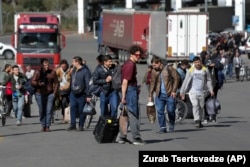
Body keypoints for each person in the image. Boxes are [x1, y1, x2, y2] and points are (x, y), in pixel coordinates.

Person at [118, 45, 145, 145]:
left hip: (129, 90)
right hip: (130, 91)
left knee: (124, 115)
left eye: (139, 55)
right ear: (131, 54)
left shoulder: (128, 64)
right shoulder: (130, 65)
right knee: (133, 114)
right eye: (136, 55)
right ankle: (136, 138)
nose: (138, 56)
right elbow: (125, 82)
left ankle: (122, 137)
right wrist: (124, 97)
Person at [180, 56, 214, 128]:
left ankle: (200, 119)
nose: (197, 64)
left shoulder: (205, 70)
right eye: (195, 62)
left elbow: (208, 80)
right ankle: (197, 120)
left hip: (202, 91)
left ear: (200, 62)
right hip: (193, 91)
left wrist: (211, 89)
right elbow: (185, 81)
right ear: (193, 63)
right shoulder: (191, 70)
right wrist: (182, 91)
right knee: (195, 105)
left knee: (201, 106)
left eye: (198, 62)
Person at [148, 56, 180, 133]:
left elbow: (177, 78)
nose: (153, 66)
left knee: (171, 110)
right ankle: (163, 127)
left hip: (169, 94)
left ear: (160, 63)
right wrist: (150, 95)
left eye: (155, 65)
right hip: (159, 95)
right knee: (160, 111)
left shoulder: (169, 68)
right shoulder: (154, 71)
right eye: (152, 65)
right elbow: (152, 83)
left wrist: (174, 91)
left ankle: (171, 125)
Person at [31, 58, 59, 132]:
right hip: (39, 94)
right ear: (42, 65)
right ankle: (43, 125)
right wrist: (38, 83)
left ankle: (47, 126)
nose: (47, 66)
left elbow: (56, 83)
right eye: (45, 65)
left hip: (50, 94)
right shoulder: (37, 72)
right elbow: (32, 81)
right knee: (42, 110)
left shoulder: (52, 73)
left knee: (49, 110)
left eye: (48, 65)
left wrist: (54, 93)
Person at [67, 56, 91, 131]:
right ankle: (73, 124)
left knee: (81, 110)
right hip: (73, 93)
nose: (72, 63)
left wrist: (88, 94)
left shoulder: (85, 71)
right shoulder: (74, 70)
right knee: (72, 108)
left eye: (73, 61)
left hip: (82, 94)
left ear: (77, 62)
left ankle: (81, 125)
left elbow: (88, 83)